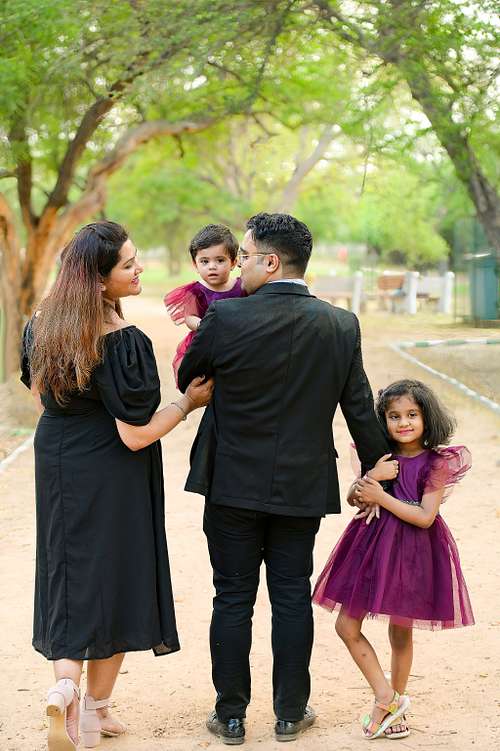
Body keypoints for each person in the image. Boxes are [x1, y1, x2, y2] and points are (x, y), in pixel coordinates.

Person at [177, 212, 390, 745]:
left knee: (232, 596)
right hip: (302, 484)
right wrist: (379, 473)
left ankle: (230, 716)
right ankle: (291, 714)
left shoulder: (225, 318)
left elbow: (188, 377)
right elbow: (359, 408)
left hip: (230, 481)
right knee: (292, 595)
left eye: (246, 256)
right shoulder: (341, 325)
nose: (239, 267)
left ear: (271, 263)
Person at [20, 221, 213, 751]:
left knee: (67, 572)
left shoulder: (42, 323)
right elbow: (135, 434)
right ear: (99, 279)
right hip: (111, 466)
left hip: (57, 458)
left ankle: (64, 688)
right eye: (129, 264)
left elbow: (40, 397)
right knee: (116, 577)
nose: (139, 268)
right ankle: (93, 712)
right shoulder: (122, 340)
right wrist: (188, 403)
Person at [313, 379, 474, 740]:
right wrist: (371, 478)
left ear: (427, 417)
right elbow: (356, 498)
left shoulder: (436, 463)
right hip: (370, 549)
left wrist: (381, 497)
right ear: (382, 420)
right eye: (394, 416)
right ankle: (386, 697)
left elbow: (425, 517)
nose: (403, 423)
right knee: (346, 626)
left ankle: (392, 704)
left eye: (412, 414)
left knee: (400, 633)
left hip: (413, 552)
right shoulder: (379, 455)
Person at [164, 224, 245, 385]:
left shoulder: (241, 286)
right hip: (206, 342)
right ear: (195, 265)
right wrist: (204, 325)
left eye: (220, 260)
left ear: (233, 262)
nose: (212, 266)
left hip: (236, 340)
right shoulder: (195, 291)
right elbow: (190, 317)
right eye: (205, 261)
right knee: (207, 380)